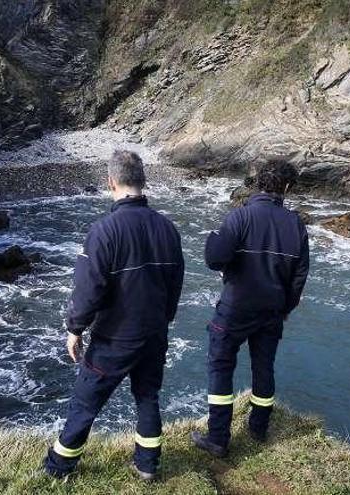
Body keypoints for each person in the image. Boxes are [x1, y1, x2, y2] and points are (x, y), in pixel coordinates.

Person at [44, 150, 185, 480]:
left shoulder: (104, 231)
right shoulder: (167, 228)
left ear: (111, 182)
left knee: (85, 402)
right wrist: (165, 318)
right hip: (154, 332)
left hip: (115, 337)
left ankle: (58, 468)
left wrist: (75, 328)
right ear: (143, 181)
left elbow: (88, 288)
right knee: (147, 396)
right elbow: (176, 281)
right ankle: (147, 465)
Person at [191, 159, 310, 457]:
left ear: (258, 183)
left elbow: (214, 260)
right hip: (271, 311)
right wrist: (285, 308)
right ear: (285, 188)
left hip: (235, 308)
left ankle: (218, 438)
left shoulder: (239, 217)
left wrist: (214, 239)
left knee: (220, 367)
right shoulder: (295, 224)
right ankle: (258, 430)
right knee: (263, 368)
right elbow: (299, 277)